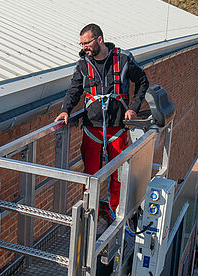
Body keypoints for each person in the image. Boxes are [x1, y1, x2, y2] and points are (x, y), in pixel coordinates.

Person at [55, 23, 149, 223]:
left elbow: (142, 82)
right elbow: (74, 91)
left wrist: (133, 108)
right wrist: (65, 111)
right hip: (92, 128)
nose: (83, 48)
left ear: (99, 39)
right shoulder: (83, 65)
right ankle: (92, 213)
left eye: (86, 43)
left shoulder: (123, 60)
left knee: (117, 174)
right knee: (90, 173)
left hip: (117, 126)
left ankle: (115, 209)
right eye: (81, 44)